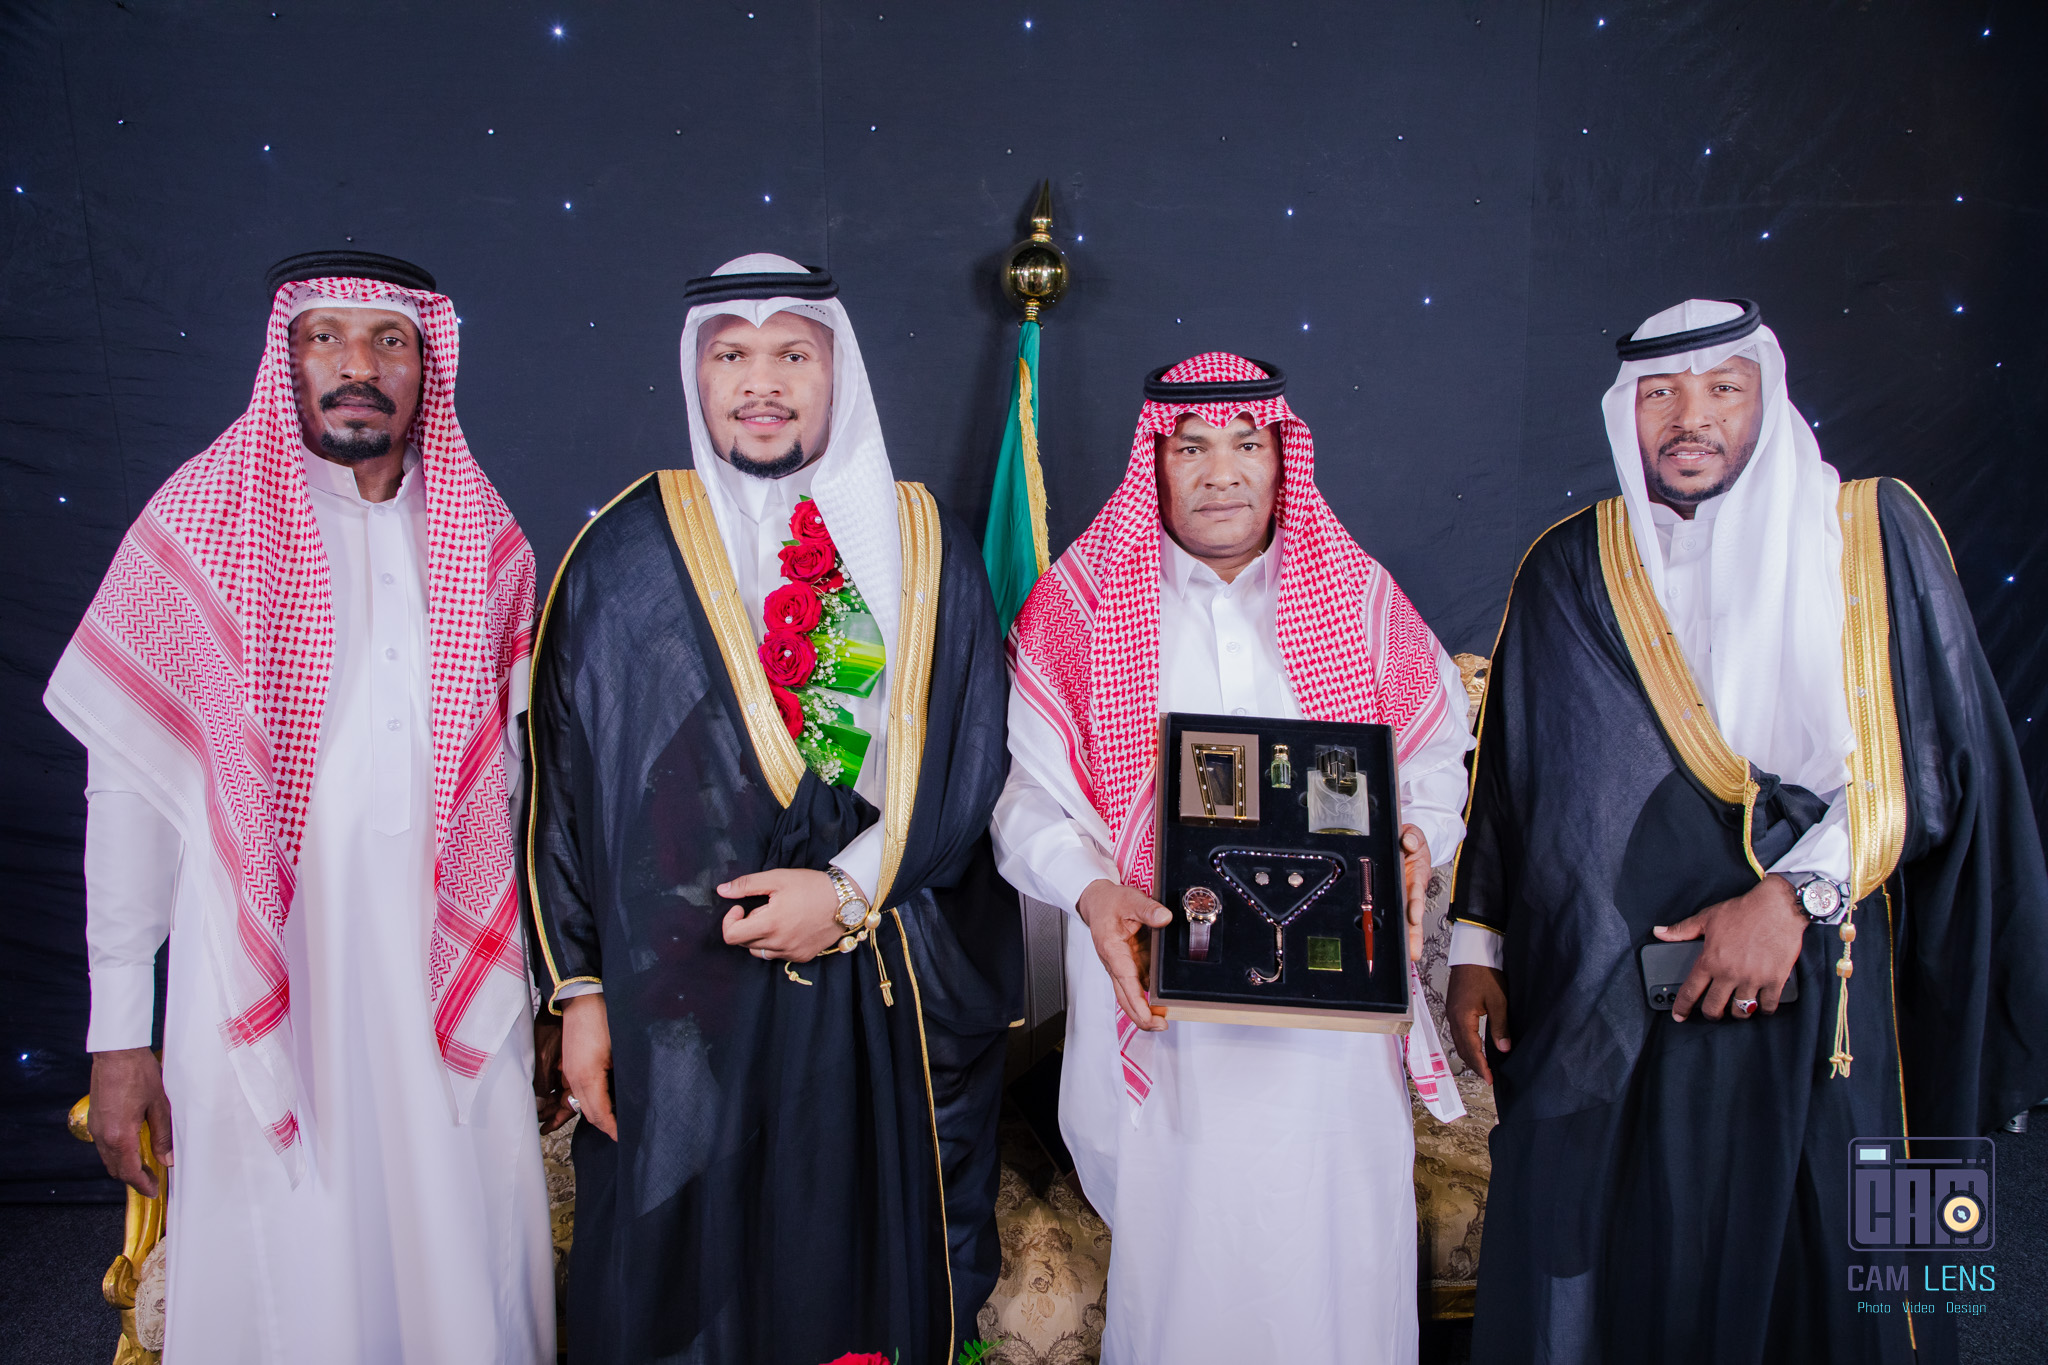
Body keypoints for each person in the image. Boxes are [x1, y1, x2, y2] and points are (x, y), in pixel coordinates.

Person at [1448, 299, 2048, 1364]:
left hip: (1841, 967)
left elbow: (1931, 762)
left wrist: (1790, 900)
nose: (1692, 417)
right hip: (1627, 983)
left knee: (1863, 1261)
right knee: (1646, 1243)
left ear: (1765, 396)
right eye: (1661, 394)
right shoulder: (1572, 563)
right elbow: (1514, 777)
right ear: (1626, 412)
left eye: (1722, 388)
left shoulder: (1870, 530)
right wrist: (1474, 947)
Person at [45, 251, 552, 1362]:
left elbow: (526, 794)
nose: (355, 364)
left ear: (427, 365)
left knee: (461, 1245)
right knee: (287, 1263)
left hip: (444, 970)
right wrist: (118, 1031)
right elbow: (126, 789)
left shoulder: (487, 541)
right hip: (265, 967)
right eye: (326, 337)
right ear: (288, 357)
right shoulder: (200, 524)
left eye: (388, 341)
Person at [528, 254, 1017, 1364]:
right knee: (683, 1282)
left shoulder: (924, 544)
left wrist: (843, 893)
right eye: (732, 355)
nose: (762, 382)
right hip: (676, 1006)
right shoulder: (622, 551)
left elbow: (970, 765)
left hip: (877, 980)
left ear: (838, 371)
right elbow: (565, 789)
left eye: (793, 353)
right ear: (695, 375)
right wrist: (582, 994)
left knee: (844, 1273)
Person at [993, 352, 1470, 1364]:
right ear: (1153, 463)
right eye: (1191, 448)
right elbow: (1027, 802)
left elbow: (1433, 760)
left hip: (1332, 1025)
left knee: (1338, 1265)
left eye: (1247, 445)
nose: (1222, 473)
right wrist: (1092, 889)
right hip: (1163, 1000)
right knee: (1189, 1273)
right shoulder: (1079, 609)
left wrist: (1417, 836)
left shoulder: (1358, 599)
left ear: (1281, 457)